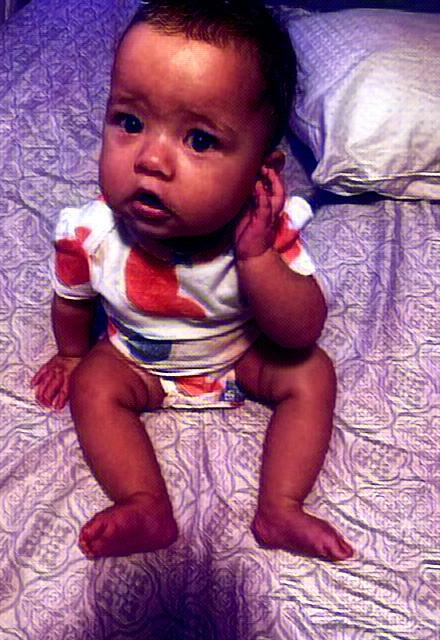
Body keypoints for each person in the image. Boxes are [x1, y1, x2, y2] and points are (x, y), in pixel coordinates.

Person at [31, 0, 354, 562]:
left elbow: (302, 330)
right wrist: (72, 354)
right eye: (130, 122)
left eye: (199, 140)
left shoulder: (263, 230)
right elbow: (73, 298)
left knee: (312, 372)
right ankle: (144, 503)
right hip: (136, 359)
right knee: (93, 387)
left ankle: (281, 507)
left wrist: (256, 258)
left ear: (261, 174)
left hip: (240, 356)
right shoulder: (92, 232)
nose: (151, 160)